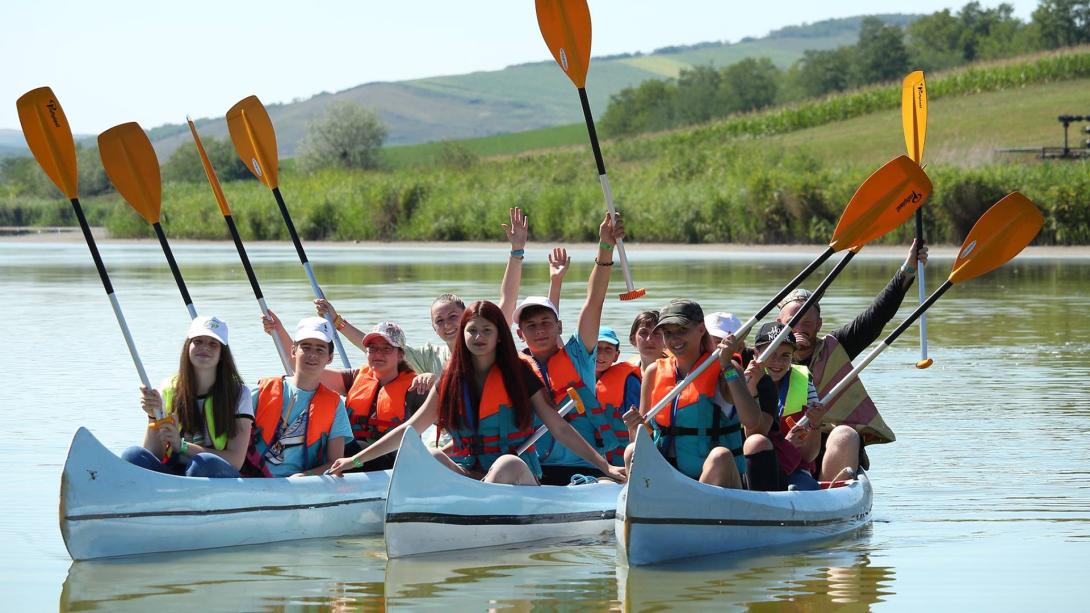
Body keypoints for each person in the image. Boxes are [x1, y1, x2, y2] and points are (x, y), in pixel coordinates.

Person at [327, 301, 626, 485]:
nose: (478, 337)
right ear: (463, 335)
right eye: (472, 331)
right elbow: (410, 428)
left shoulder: (519, 374)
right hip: (469, 475)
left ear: (499, 336)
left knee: (506, 464)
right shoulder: (451, 379)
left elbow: (558, 426)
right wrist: (356, 461)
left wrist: (605, 466)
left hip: (516, 478)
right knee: (430, 454)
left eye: (486, 330)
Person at [776, 239, 928, 475]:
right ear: (779, 325)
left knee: (844, 434)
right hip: (786, 443)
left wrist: (908, 269)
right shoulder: (765, 355)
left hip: (831, 445)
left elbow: (876, 316)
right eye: (792, 324)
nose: (800, 330)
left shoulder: (837, 345)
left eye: (807, 323)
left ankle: (830, 500)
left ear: (819, 325)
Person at [514, 213, 626, 485]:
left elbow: (594, 301)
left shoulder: (578, 355)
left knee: (606, 484)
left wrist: (605, 246)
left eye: (545, 323)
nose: (540, 330)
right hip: (536, 471)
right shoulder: (515, 367)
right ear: (520, 334)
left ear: (559, 326)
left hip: (589, 469)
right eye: (531, 326)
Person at [623, 300, 763, 488]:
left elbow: (752, 421)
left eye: (682, 330)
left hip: (715, 480)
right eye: (668, 333)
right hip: (670, 477)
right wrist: (635, 427)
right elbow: (641, 439)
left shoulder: (725, 370)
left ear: (701, 329)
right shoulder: (654, 371)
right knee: (632, 450)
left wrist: (727, 366)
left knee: (720, 456)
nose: (675, 340)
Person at [123, 316, 252, 478]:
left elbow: (236, 461)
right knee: (133, 455)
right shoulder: (168, 388)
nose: (205, 348)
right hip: (175, 473)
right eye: (198, 341)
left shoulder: (239, 393)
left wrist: (182, 446)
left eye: (213, 344)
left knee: (202, 463)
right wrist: (152, 415)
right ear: (187, 347)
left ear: (222, 354)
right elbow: (154, 453)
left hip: (216, 475)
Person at [243, 317, 354, 477]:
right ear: (293, 351)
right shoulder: (261, 391)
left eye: (320, 349)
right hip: (251, 479)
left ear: (329, 358)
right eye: (306, 347)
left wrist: (306, 476)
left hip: (300, 486)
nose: (312, 355)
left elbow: (335, 463)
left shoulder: (335, 405)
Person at [741, 322, 832, 491]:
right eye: (771, 354)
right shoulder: (742, 382)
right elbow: (750, 438)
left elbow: (809, 455)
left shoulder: (805, 383)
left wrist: (815, 424)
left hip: (796, 468)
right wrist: (786, 444)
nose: (777, 362)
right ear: (756, 354)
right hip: (754, 468)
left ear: (793, 357)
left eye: (785, 356)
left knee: (802, 488)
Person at [593, 327, 641, 465]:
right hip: (586, 458)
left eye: (608, 349)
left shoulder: (629, 381)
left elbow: (638, 425)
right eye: (597, 348)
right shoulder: (577, 380)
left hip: (618, 460)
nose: (601, 355)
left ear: (616, 355)